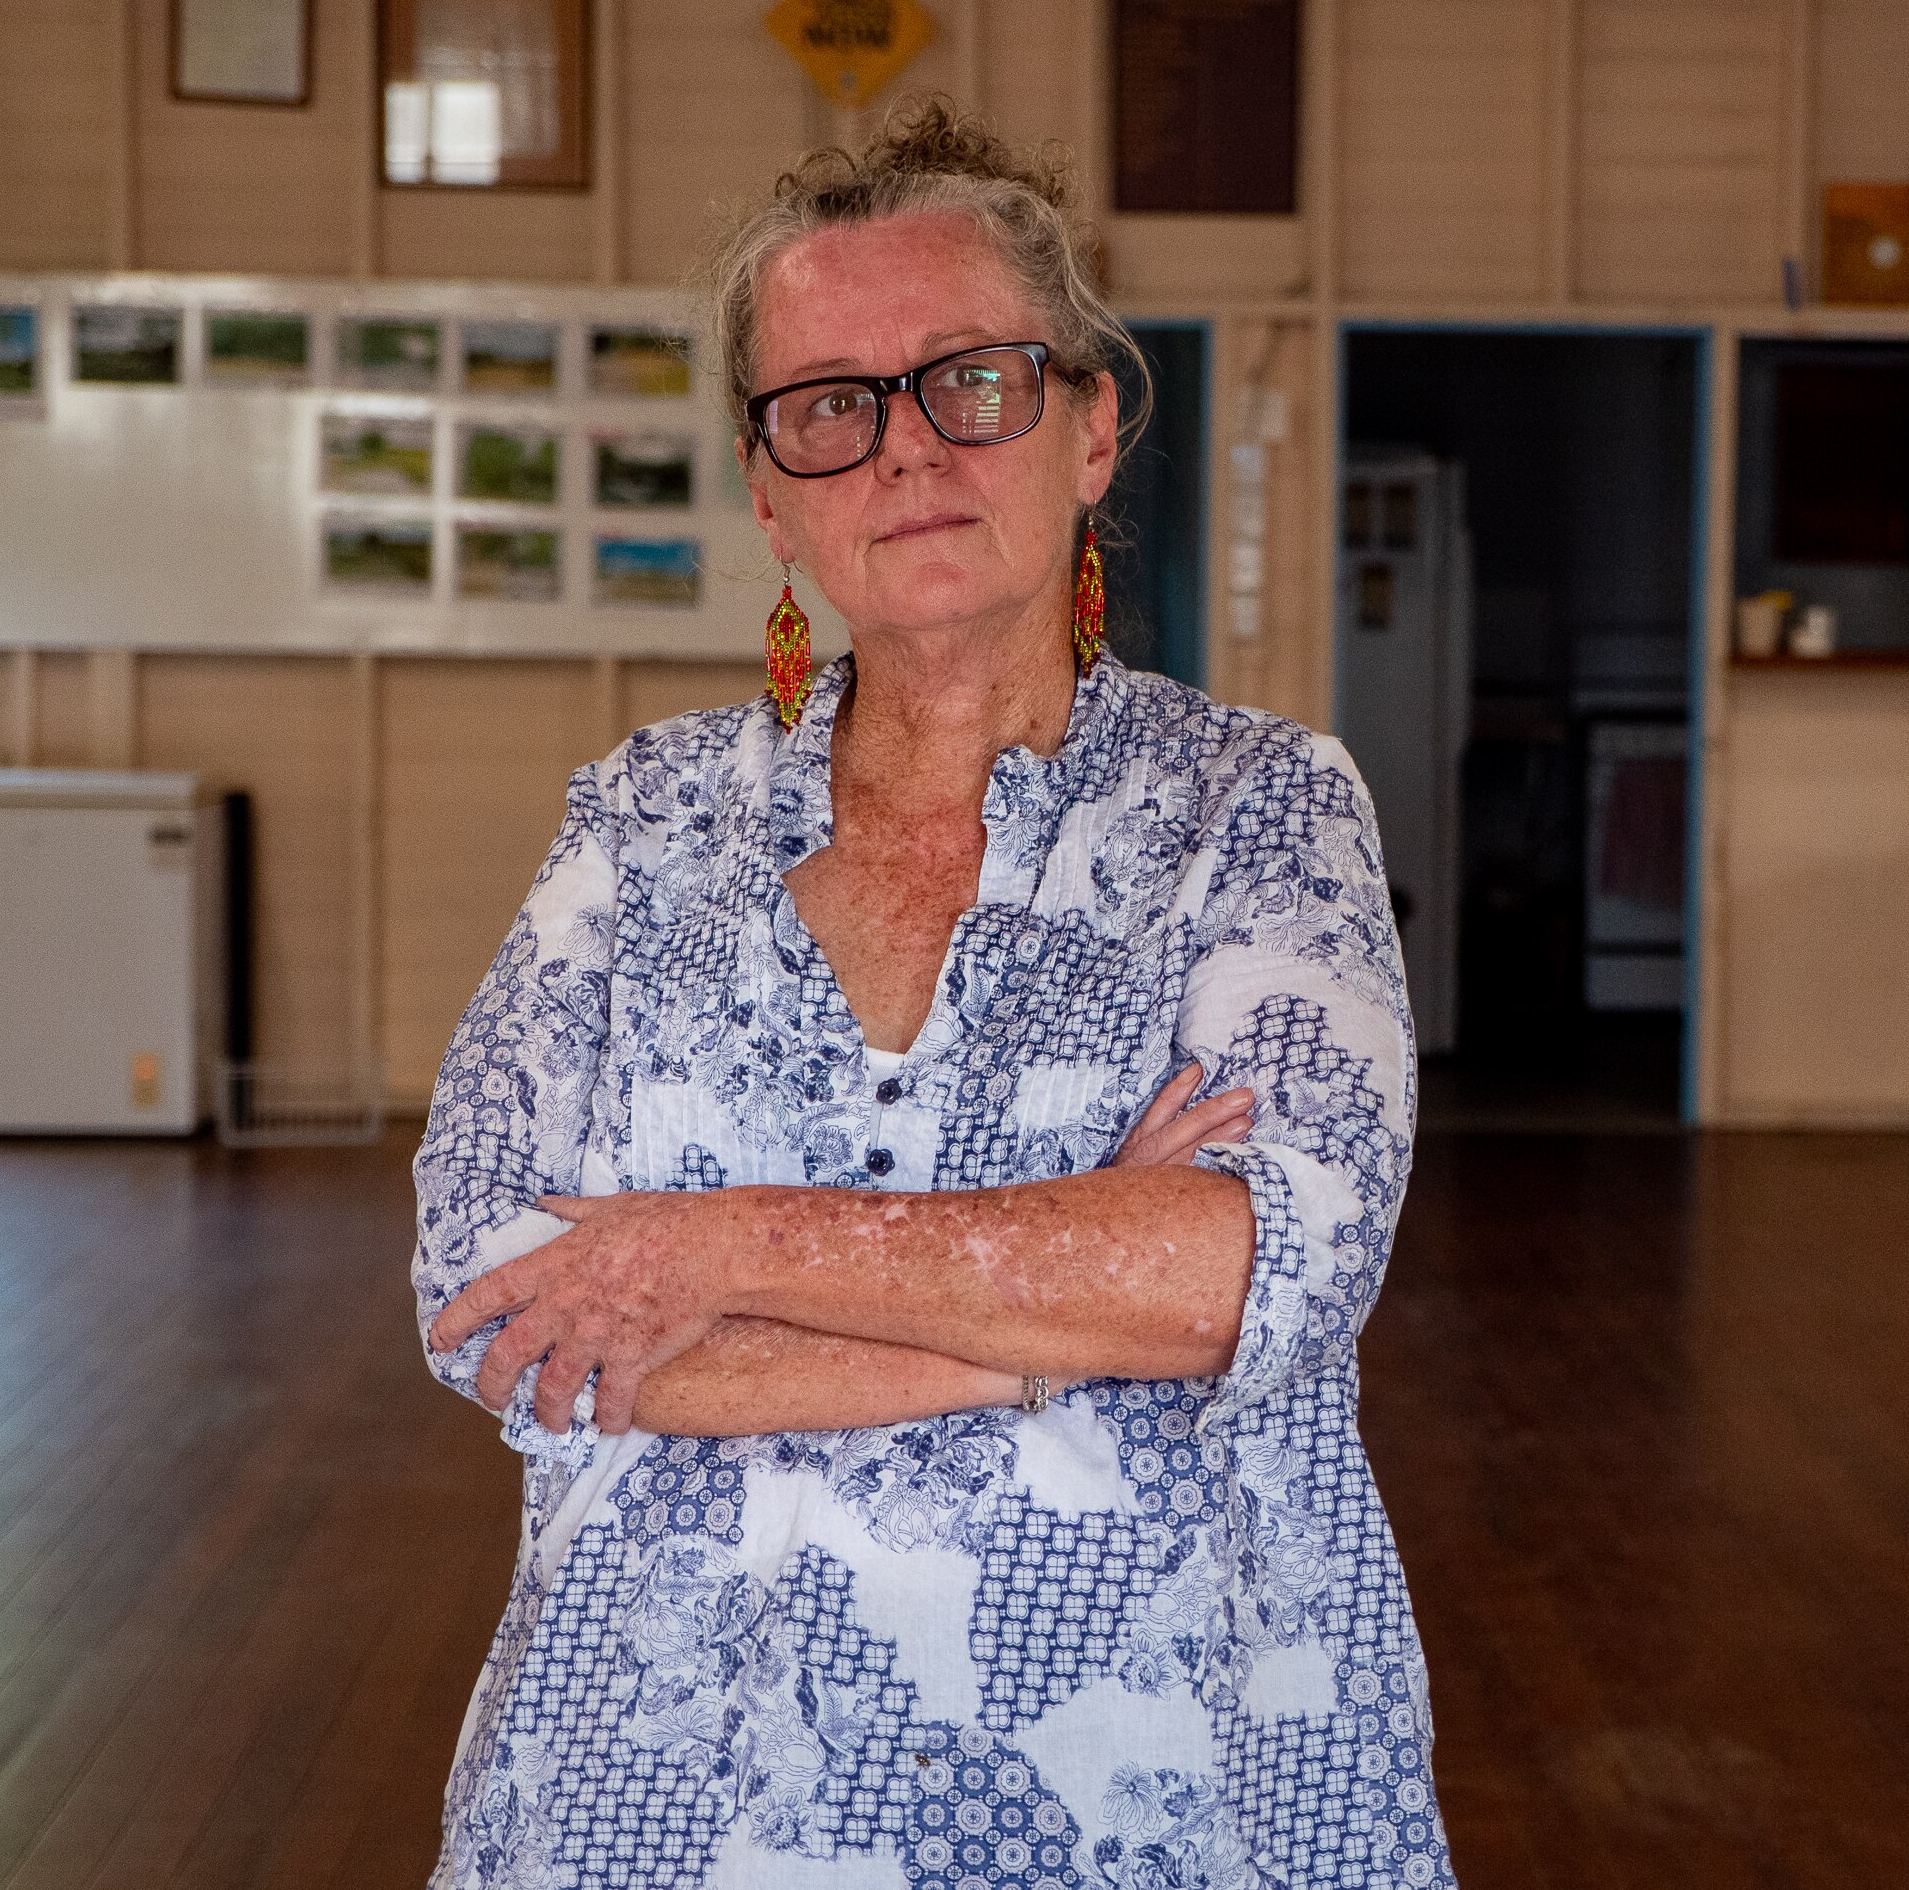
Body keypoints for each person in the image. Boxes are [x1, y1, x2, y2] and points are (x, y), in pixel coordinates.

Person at [413, 101, 1450, 1889]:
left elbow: (1263, 1265)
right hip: (656, 1796)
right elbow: (484, 1299)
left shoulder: (1260, 812)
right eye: (828, 404)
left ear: (1092, 421)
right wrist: (1054, 1298)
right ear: (767, 489)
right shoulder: (648, 821)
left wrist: (703, 1252)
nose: (904, 451)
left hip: (1158, 1786)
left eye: (970, 379)